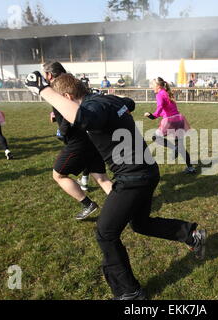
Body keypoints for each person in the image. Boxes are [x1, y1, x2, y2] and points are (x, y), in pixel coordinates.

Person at [25, 71, 206, 300]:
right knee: (141, 224)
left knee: (106, 234)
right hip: (146, 171)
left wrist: (43, 90)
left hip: (133, 178)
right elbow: (128, 103)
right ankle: (191, 235)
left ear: (69, 97)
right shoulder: (104, 100)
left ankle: (129, 292)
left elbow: (85, 118)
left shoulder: (93, 108)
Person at [43, 61, 112, 220]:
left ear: (49, 75)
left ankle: (88, 204)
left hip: (78, 140)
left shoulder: (59, 87)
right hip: (90, 137)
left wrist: (62, 130)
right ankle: (127, 208)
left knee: (58, 175)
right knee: (101, 177)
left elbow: (71, 110)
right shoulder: (71, 81)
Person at [144, 77, 197, 174]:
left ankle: (174, 148)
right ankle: (190, 168)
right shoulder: (167, 92)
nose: (151, 87)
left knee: (155, 137)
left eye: (152, 85)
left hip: (170, 120)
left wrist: (152, 115)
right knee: (180, 146)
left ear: (158, 86)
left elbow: (160, 107)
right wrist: (155, 115)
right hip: (179, 119)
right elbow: (166, 109)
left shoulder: (159, 94)